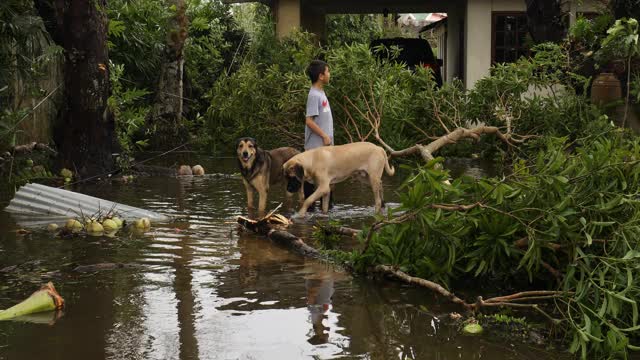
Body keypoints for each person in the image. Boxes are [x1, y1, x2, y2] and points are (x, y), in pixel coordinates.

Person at [304, 59, 334, 211]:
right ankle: (308, 211)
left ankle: (327, 210)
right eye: (328, 71)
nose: (330, 74)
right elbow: (309, 121)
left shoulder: (321, 92)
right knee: (310, 179)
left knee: (326, 180)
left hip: (325, 149)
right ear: (321, 76)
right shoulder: (314, 95)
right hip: (316, 148)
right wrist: (324, 135)